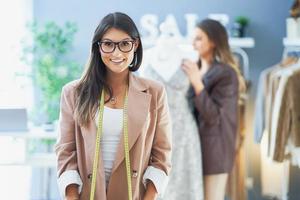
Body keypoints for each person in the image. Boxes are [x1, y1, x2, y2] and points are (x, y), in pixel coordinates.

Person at [55, 12, 172, 200]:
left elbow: (162, 155)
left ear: (136, 45)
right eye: (108, 44)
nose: (117, 53)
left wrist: (148, 198)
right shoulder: (73, 92)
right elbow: (66, 152)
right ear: (98, 48)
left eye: (125, 44)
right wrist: (71, 197)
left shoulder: (155, 92)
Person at [181, 19, 245, 200]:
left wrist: (196, 82)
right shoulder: (196, 69)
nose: (193, 43)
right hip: (194, 148)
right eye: (193, 38)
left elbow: (213, 116)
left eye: (199, 38)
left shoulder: (226, 73)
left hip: (215, 153)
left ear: (214, 41)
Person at [141, 22, 204, 200]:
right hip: (152, 128)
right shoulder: (146, 57)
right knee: (154, 183)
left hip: (184, 130)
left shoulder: (190, 57)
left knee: (185, 183)